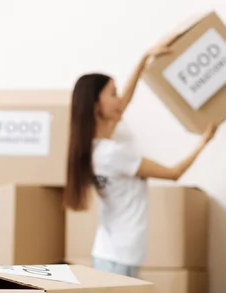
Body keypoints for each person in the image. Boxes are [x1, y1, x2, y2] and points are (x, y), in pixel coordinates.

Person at [64, 42, 218, 278]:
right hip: (120, 257)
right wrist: (204, 141)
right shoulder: (114, 153)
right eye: (112, 94)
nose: (119, 100)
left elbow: (124, 103)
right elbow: (173, 173)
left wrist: (144, 58)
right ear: (97, 106)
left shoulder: (93, 149)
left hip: (110, 253)